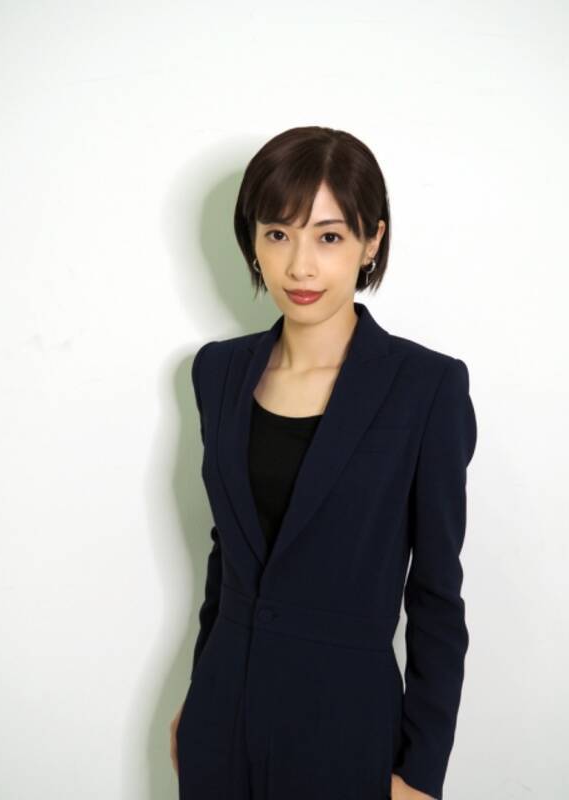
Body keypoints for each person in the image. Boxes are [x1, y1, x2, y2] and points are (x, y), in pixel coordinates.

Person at [170, 126, 477, 800]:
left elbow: (435, 597)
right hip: (219, 727)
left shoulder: (426, 388)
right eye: (278, 234)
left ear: (372, 241)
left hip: (346, 736)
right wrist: (198, 697)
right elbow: (229, 557)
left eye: (329, 237)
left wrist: (420, 772)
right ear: (252, 240)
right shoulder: (217, 372)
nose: (300, 266)